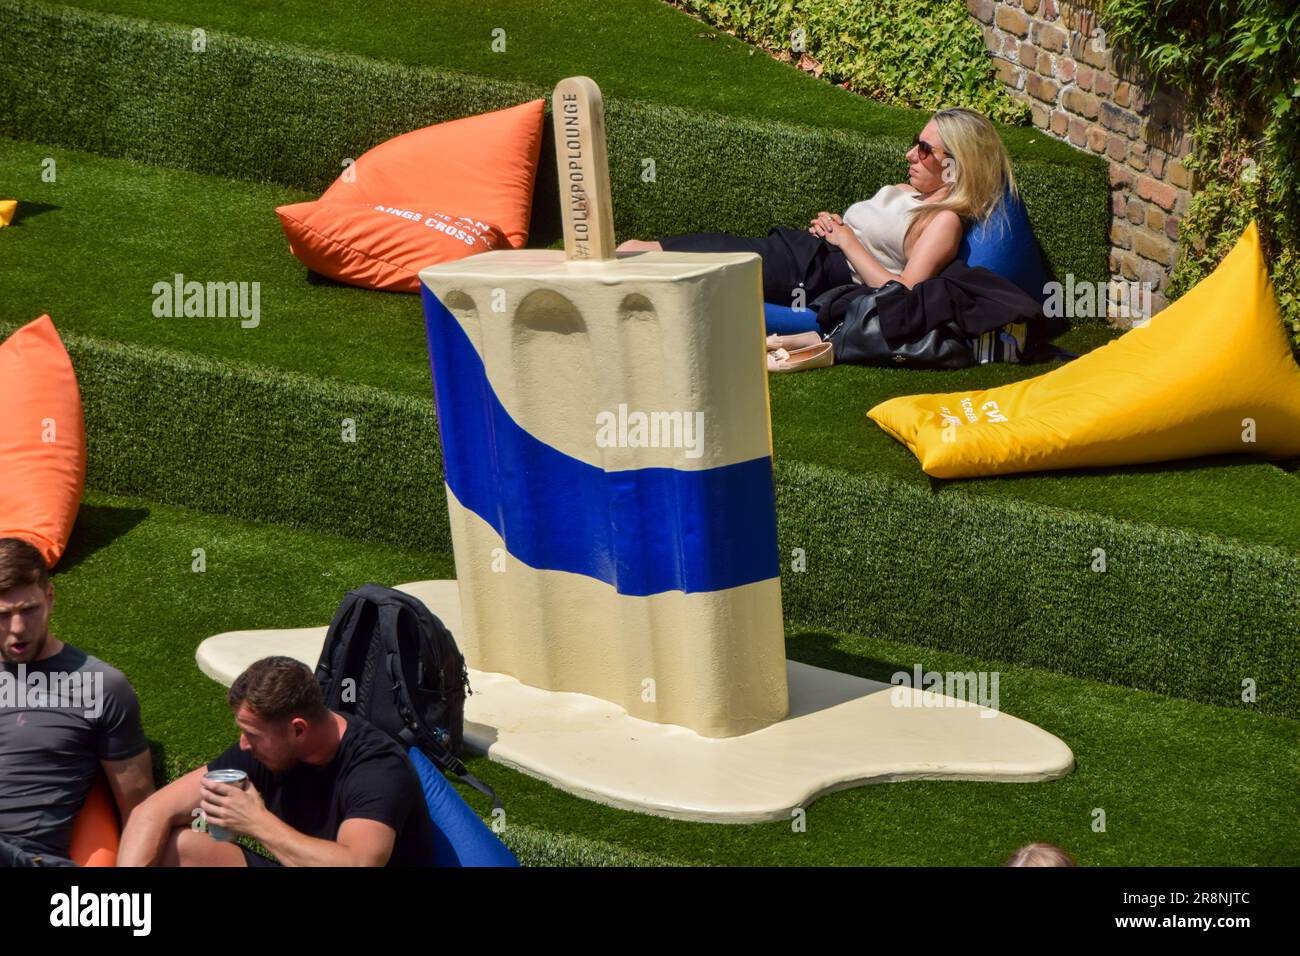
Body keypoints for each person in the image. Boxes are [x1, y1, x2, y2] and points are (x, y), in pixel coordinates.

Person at [617, 107, 1016, 307]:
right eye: (916, 141)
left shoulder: (943, 221)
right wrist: (837, 227)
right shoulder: (911, 192)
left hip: (812, 275)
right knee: (659, 249)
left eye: (925, 149)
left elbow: (902, 294)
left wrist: (845, 241)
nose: (910, 153)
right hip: (800, 251)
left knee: (659, 255)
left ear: (955, 163)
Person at [118, 655, 437, 866]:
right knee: (178, 848)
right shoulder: (263, 750)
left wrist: (255, 822)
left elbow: (357, 863)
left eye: (253, 734)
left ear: (298, 729)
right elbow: (152, 811)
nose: (244, 744)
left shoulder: (377, 768)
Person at [0, 537, 154, 867]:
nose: (18, 629)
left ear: (50, 598)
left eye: (29, 610)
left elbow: (142, 813)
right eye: (2, 615)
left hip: (24, 856)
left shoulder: (101, 686)